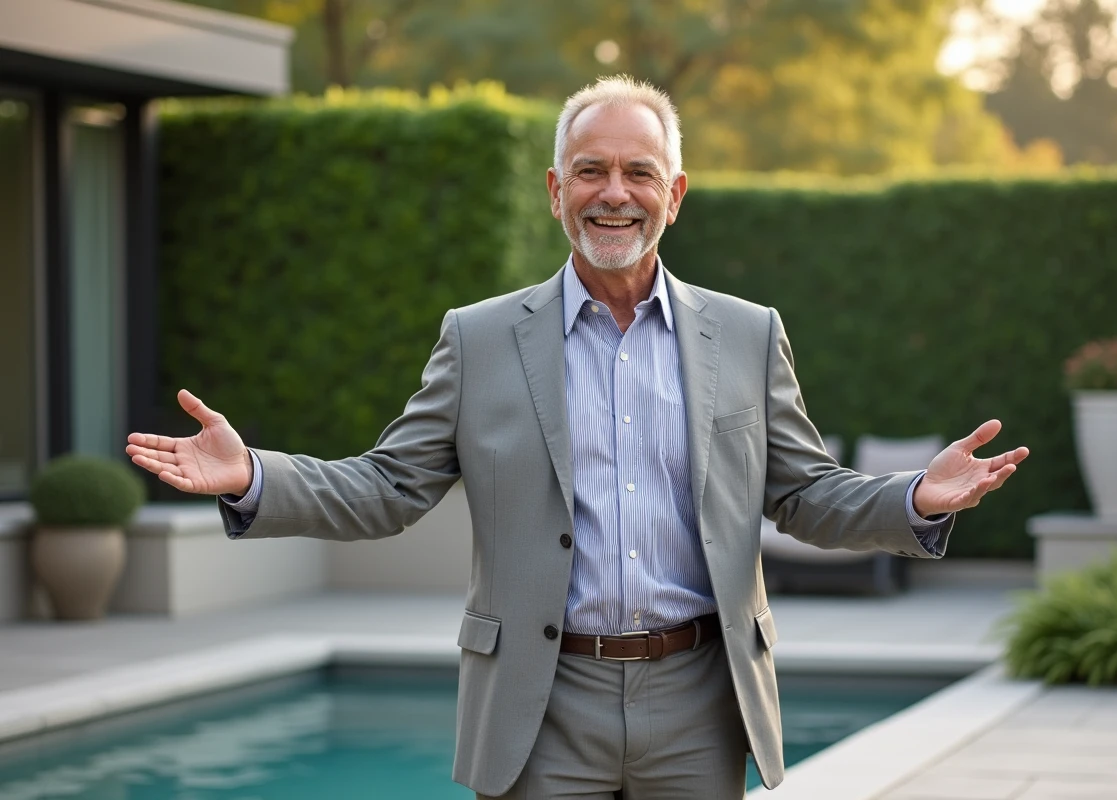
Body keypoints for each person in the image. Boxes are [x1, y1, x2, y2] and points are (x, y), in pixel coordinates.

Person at [127, 75, 1029, 800]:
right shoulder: (478, 338)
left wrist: (912, 498)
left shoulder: (748, 334)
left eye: (639, 172)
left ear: (673, 195)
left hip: (699, 700)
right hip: (539, 700)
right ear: (558, 191)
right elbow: (388, 486)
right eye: (591, 171)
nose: (614, 194)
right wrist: (254, 476)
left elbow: (802, 493)